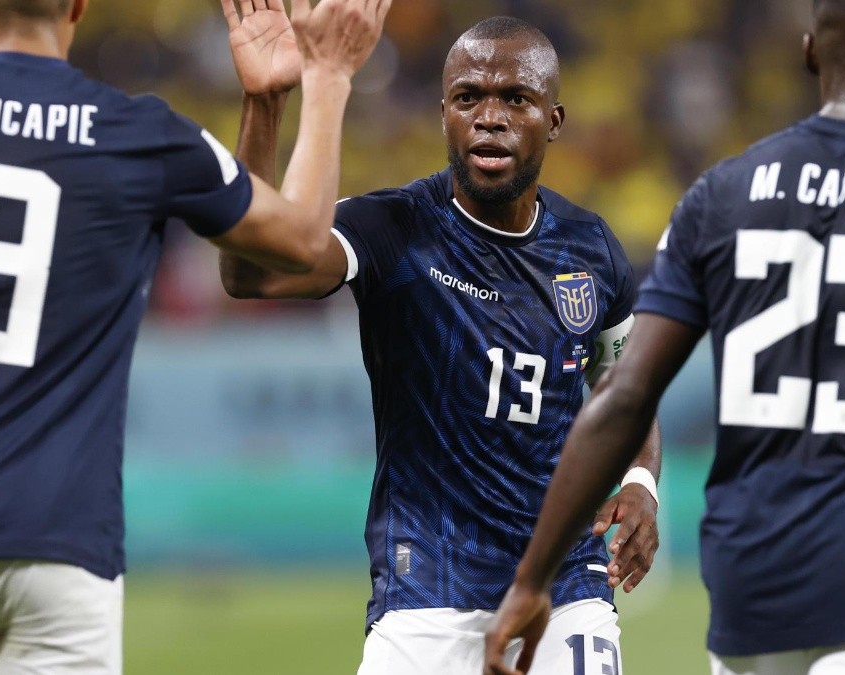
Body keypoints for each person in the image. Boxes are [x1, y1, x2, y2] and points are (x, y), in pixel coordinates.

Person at [484, 0, 845, 674]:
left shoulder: (719, 195)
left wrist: (531, 579)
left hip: (752, 589)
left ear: (812, 51)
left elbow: (623, 394)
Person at [0, 0, 389, 672]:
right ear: (80, 6)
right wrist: (328, 78)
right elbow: (300, 240)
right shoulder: (142, 134)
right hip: (63, 542)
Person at [220, 14, 663, 675]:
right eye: (468, 98)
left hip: (567, 583)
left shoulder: (591, 248)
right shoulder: (394, 228)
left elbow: (623, 387)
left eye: (515, 98)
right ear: (444, 115)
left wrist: (639, 480)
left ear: (555, 118)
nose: (489, 117)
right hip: (427, 587)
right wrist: (265, 103)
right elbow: (250, 271)